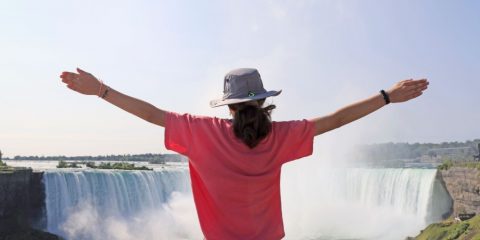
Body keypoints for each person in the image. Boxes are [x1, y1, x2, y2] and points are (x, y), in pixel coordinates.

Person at [60, 68, 429, 240]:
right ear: (264, 100)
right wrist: (386, 97)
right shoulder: (280, 136)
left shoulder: (201, 132)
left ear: (229, 107)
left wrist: (102, 90)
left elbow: (152, 114)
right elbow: (334, 120)